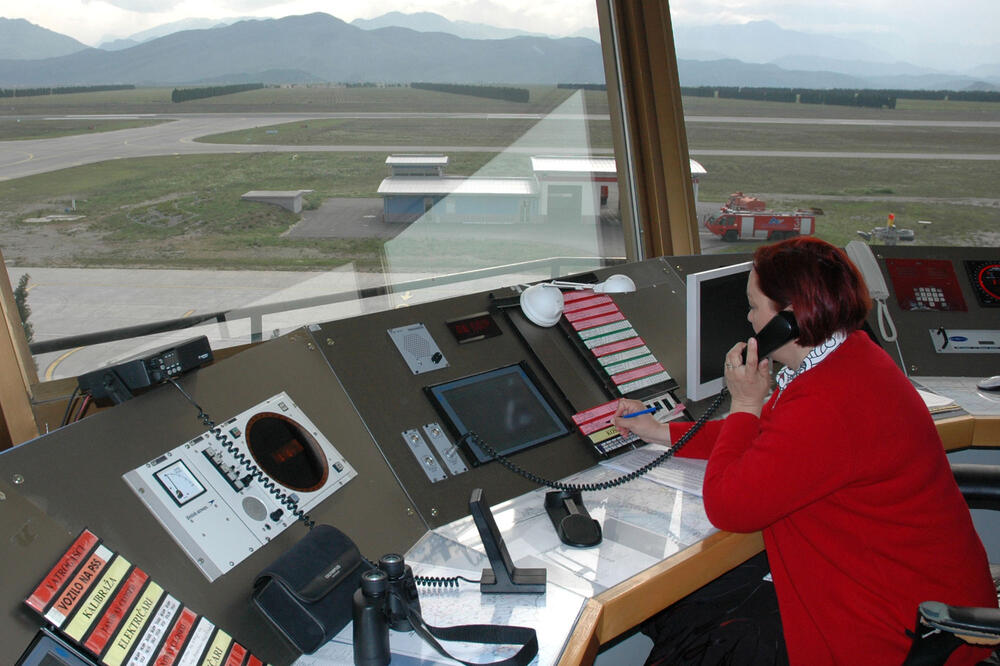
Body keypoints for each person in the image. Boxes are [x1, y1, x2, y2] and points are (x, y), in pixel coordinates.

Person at [614, 237, 997, 665]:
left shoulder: (828, 402)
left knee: (703, 642)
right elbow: (770, 437)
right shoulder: (848, 357)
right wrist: (663, 432)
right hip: (903, 595)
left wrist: (744, 403)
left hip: (893, 633)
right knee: (689, 609)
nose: (748, 317)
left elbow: (729, 507)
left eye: (754, 306)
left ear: (791, 319)